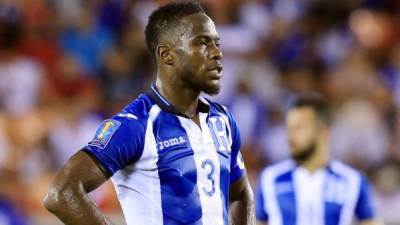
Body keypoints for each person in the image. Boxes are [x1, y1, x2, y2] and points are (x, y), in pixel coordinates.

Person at [43, 2, 255, 225]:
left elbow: (240, 195)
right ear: (167, 54)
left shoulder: (223, 121)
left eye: (216, 43)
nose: (217, 53)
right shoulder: (136, 125)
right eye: (202, 43)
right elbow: (62, 194)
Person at [256, 94, 381, 225]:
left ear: (323, 132)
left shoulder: (352, 179)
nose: (290, 137)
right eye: (289, 128)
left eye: (299, 128)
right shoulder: (271, 178)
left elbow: (371, 221)